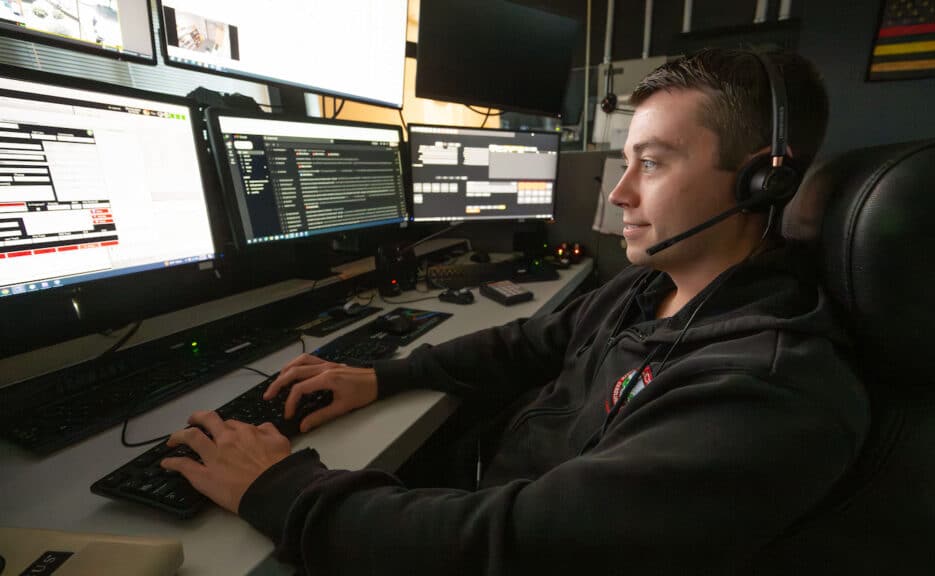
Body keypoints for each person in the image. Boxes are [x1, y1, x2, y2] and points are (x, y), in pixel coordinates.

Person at [161, 48, 869, 575]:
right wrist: (382, 376)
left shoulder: (763, 394)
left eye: (651, 163)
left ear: (760, 180)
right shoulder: (653, 287)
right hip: (495, 488)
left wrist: (278, 489)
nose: (619, 193)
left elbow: (511, 546)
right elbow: (532, 342)